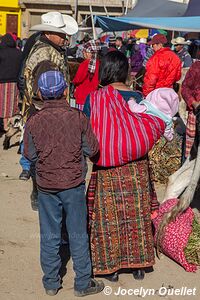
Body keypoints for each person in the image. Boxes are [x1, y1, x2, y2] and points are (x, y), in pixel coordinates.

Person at [84, 51, 165, 281]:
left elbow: (88, 131)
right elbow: (151, 126)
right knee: (136, 215)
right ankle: (138, 267)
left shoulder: (95, 98)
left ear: (105, 70)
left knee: (110, 217)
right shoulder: (139, 98)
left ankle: (112, 269)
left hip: (107, 168)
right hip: (136, 168)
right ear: (124, 71)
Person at [23, 70, 104, 297]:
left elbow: (29, 155)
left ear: (39, 93)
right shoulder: (78, 117)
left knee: (49, 234)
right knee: (78, 233)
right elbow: (93, 149)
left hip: (47, 186)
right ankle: (83, 283)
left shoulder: (34, 121)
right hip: (73, 184)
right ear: (66, 91)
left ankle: (51, 283)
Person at [19, 11, 78, 209]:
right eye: (61, 34)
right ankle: (41, 195)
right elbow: (43, 92)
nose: (65, 38)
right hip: (46, 113)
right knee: (46, 156)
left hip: (42, 113)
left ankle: (40, 193)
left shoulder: (45, 48)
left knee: (42, 154)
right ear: (49, 33)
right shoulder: (46, 56)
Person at [0, 33, 22, 147]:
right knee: (12, 105)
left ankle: (5, 127)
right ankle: (11, 126)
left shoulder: (1, 52)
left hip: (2, 82)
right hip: (15, 82)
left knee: (3, 105)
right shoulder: (19, 53)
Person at [73, 40, 100, 110]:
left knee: (82, 117)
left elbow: (78, 79)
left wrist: (73, 81)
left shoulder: (84, 64)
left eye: (85, 51)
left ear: (89, 53)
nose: (83, 53)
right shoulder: (99, 64)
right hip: (93, 97)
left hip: (82, 96)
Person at [181, 60, 200, 158]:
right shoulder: (197, 66)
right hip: (196, 112)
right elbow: (185, 88)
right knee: (192, 152)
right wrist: (194, 103)